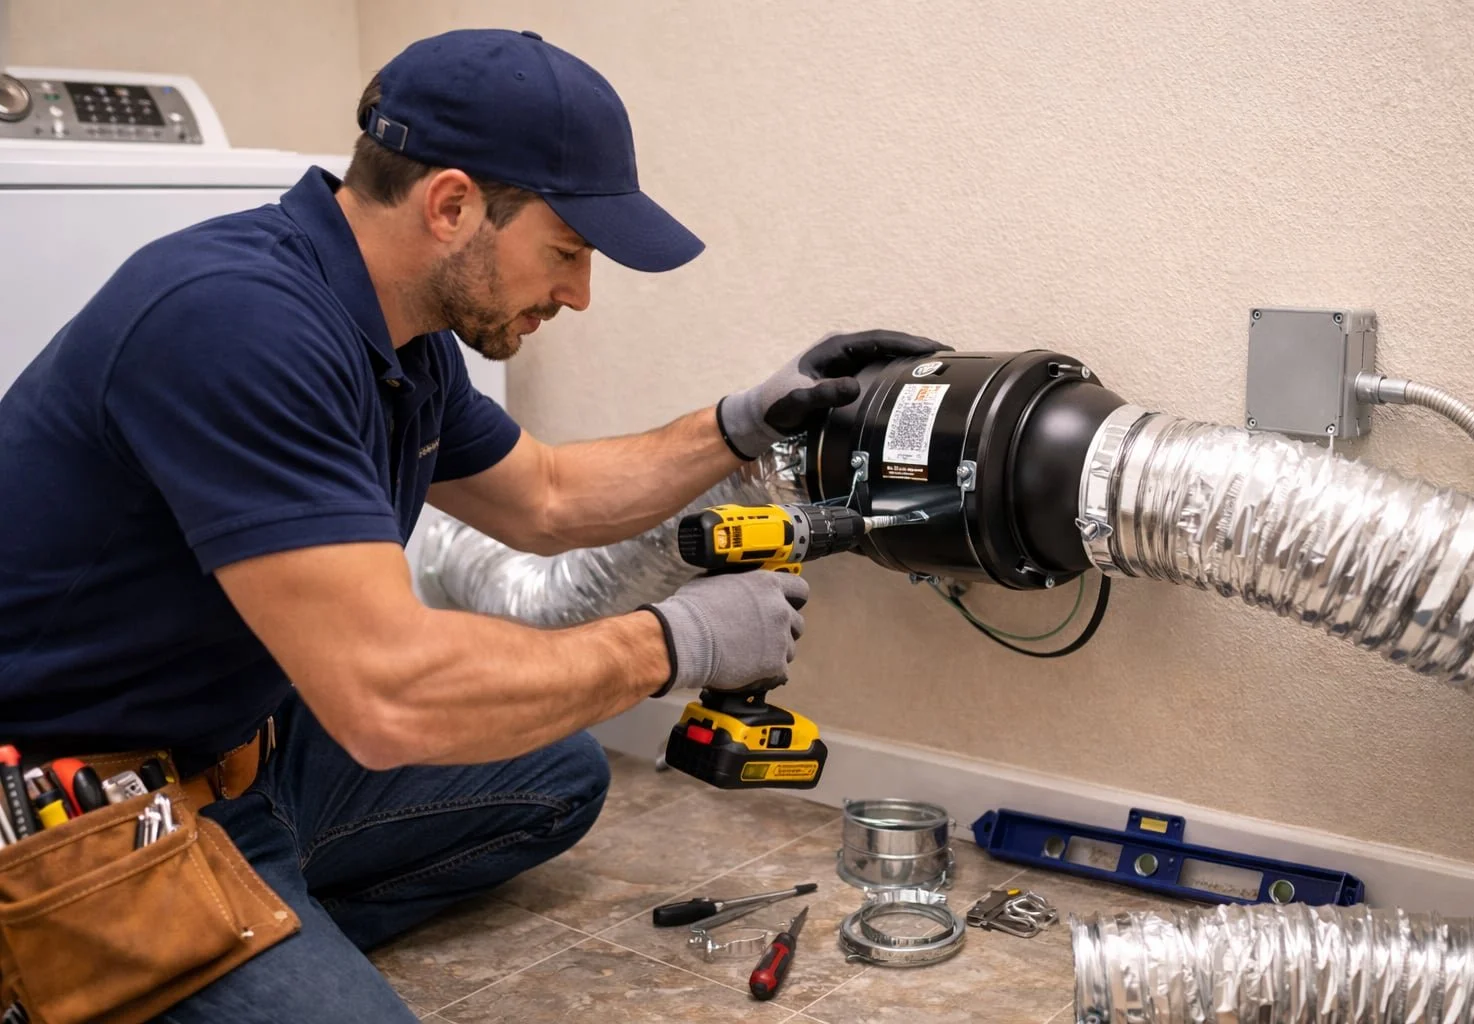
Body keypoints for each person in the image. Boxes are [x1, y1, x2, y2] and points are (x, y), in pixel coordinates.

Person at [0, 28, 945, 1021]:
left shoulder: (397, 329)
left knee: (557, 776)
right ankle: (107, 963)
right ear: (451, 206)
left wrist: (738, 422)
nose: (579, 294)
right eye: (567, 253)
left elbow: (543, 497)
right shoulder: (237, 325)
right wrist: (675, 644)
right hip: (72, 806)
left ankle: (246, 930)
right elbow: (389, 698)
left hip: (243, 749)